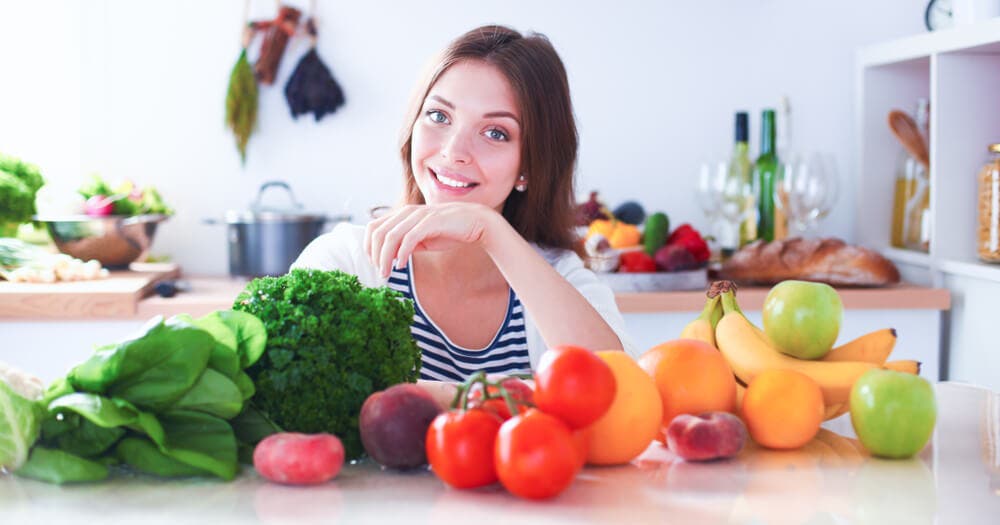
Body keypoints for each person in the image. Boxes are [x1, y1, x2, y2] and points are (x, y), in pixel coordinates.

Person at [292, 25, 636, 402]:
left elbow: (616, 398)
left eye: (495, 133)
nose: (454, 151)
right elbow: (306, 386)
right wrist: (500, 400)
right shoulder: (349, 260)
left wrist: (489, 229)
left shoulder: (560, 278)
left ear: (530, 167)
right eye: (439, 116)